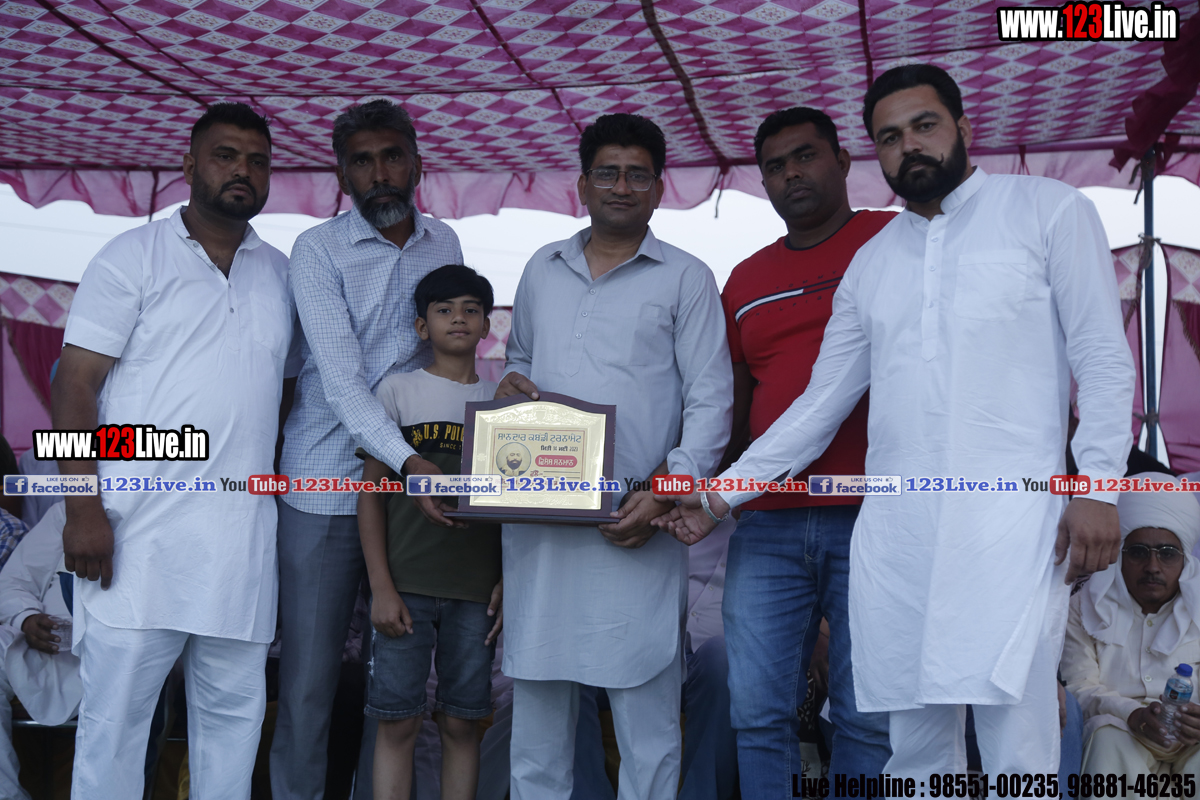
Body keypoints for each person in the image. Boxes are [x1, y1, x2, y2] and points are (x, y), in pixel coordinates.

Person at [653, 64, 1135, 775]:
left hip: (1010, 527)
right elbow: (818, 405)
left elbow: (1102, 356)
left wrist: (1097, 487)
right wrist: (723, 494)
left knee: (1014, 730)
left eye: (924, 125)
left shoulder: (1048, 211)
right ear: (874, 152)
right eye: (889, 136)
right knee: (911, 740)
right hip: (898, 534)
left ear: (962, 127)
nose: (909, 145)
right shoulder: (874, 262)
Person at [51, 101, 292, 797]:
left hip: (241, 549)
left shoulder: (280, 273)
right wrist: (80, 509)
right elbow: (74, 386)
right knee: (114, 733)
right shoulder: (132, 256)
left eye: (257, 161)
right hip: (135, 541)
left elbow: (279, 398)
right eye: (225, 155)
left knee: (231, 734)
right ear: (189, 165)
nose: (242, 171)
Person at [496, 113, 733, 799]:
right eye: (608, 173)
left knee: (647, 725)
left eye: (637, 175)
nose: (621, 186)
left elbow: (711, 399)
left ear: (658, 188)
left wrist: (668, 490)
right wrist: (511, 385)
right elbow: (519, 360)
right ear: (582, 184)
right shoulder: (542, 267)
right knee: (537, 725)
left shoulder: (686, 277)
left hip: (635, 518)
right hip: (541, 519)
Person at [274, 99, 465, 800]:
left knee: (399, 683)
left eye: (391, 156)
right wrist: (411, 464)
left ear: (418, 163)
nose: (379, 173)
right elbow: (341, 382)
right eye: (362, 161)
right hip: (325, 483)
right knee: (309, 681)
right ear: (342, 174)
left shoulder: (445, 243)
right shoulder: (317, 250)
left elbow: (443, 362)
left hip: (409, 495)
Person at [717, 106, 894, 786]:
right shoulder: (744, 279)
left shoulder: (896, 240)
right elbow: (734, 408)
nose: (791, 173)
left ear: (844, 161)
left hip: (876, 514)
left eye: (805, 155)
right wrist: (710, 493)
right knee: (757, 710)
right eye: (775, 165)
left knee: (867, 714)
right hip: (767, 520)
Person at [357, 264, 503, 800]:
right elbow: (371, 494)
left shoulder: (503, 405)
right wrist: (380, 587)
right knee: (397, 723)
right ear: (422, 327)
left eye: (470, 309)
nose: (458, 318)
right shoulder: (397, 390)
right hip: (405, 588)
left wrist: (508, 578)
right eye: (444, 310)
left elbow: (518, 506)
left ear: (487, 324)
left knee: (462, 723)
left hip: (476, 592)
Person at [1061, 474, 1200, 774]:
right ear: (1119, 554)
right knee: (1106, 735)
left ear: (1185, 560)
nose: (1153, 567)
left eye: (1167, 554)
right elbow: (1079, 689)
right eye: (1138, 552)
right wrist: (1132, 714)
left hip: (1192, 742)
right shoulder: (1083, 607)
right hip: (1122, 734)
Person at [0, 502, 73, 800]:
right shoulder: (64, 512)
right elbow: (13, 583)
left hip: (130, 655)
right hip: (44, 645)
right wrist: (26, 617)